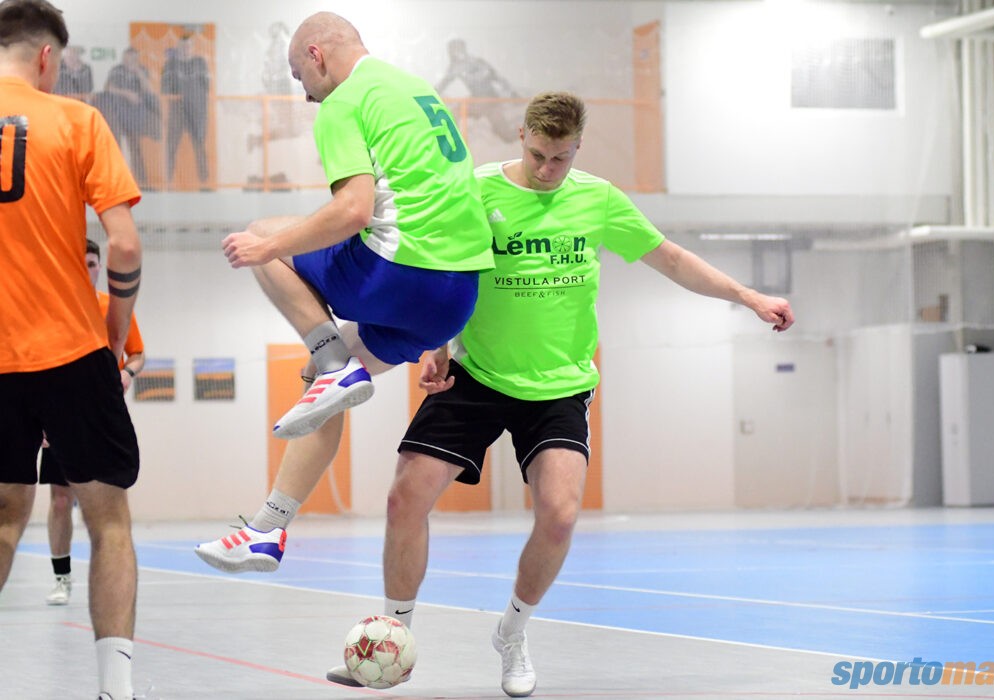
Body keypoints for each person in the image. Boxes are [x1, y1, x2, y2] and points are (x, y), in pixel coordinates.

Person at [324, 91, 796, 696]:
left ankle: (512, 633)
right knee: (404, 499)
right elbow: (445, 269)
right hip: (477, 374)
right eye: (540, 155)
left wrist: (750, 297)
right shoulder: (478, 191)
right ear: (522, 136)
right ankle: (395, 638)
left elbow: (672, 260)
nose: (548, 170)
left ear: (578, 149)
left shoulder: (598, 200)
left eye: (562, 159)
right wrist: (438, 343)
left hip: (560, 385)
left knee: (560, 515)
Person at [194, 12, 493, 572]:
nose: (305, 95)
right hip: (455, 297)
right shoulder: (417, 90)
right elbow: (446, 200)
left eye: (298, 77)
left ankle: (334, 362)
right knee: (321, 387)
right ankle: (266, 529)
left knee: (263, 233)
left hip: (399, 272)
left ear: (316, 55)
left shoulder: (344, 101)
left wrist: (267, 247)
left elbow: (353, 211)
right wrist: (442, 339)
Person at [0, 2, 144, 699]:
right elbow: (124, 244)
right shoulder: (77, 121)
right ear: (47, 57)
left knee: (4, 514)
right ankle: (115, 688)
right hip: (70, 347)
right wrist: (116, 329)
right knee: (107, 517)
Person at [40, 239, 145, 607]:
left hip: (101, 418)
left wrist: (128, 373)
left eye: (91, 263)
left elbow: (137, 353)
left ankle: (112, 583)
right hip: (59, 415)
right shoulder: (52, 308)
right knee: (59, 501)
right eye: (80, 263)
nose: (86, 269)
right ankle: (61, 578)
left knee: (105, 504)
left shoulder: (111, 308)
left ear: (100, 267)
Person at [95, 47, 160, 186]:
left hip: (133, 116)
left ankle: (142, 181)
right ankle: (115, 180)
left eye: (133, 58)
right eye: (128, 57)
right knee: (116, 146)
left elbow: (149, 90)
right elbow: (108, 88)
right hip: (117, 114)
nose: (130, 60)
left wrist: (140, 75)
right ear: (124, 58)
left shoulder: (142, 70)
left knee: (135, 146)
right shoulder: (117, 70)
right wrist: (127, 94)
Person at [434, 38, 519, 142]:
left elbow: (497, 77)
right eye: (452, 51)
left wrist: (512, 93)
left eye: (456, 50)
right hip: (478, 100)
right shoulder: (456, 66)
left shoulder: (476, 62)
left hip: (489, 100)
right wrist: (432, 92)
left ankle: (526, 130)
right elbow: (444, 82)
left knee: (506, 135)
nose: (454, 54)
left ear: (462, 50)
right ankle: (452, 139)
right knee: (455, 112)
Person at [162, 35, 210, 188]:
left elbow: (206, 86)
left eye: (188, 46)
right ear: (178, 47)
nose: (185, 49)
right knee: (171, 146)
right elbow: (164, 88)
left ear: (192, 47)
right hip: (177, 111)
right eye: (182, 46)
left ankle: (205, 184)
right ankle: (168, 182)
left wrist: (194, 98)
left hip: (197, 111)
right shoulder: (170, 64)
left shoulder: (200, 62)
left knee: (199, 145)